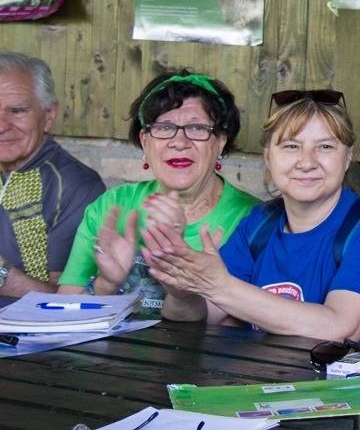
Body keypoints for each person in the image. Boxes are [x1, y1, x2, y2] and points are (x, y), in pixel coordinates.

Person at [141, 89, 360, 349]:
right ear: (269, 157)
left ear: (348, 157)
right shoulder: (259, 224)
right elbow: (201, 319)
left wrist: (220, 287)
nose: (306, 162)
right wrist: (182, 291)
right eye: (291, 146)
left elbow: (338, 328)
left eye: (325, 146)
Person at [58, 70, 258, 312]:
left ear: (220, 141)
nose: (179, 142)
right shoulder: (112, 205)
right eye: (164, 127)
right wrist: (105, 285)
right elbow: (62, 310)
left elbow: (236, 322)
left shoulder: (255, 219)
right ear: (145, 141)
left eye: (196, 128)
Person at [0, 53, 106, 297]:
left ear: (48, 116)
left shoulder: (76, 188)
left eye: (17, 111)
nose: (2, 125)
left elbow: (67, 299)